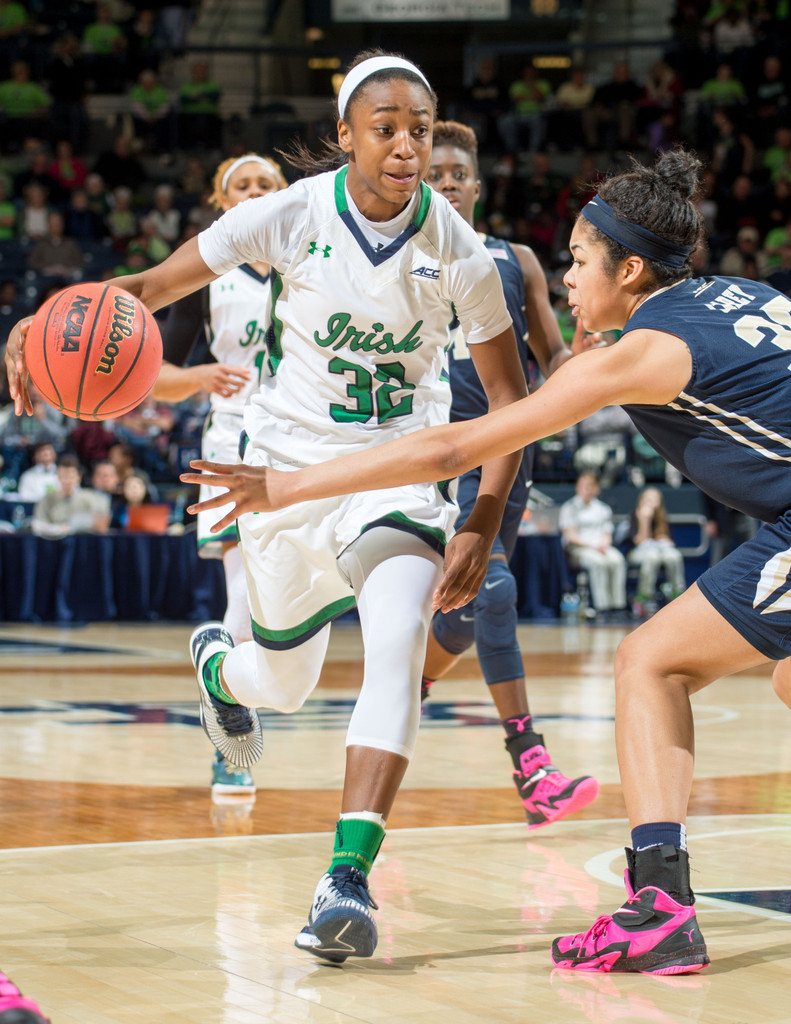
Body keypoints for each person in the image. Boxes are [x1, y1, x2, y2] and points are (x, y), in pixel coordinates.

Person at [163, 147, 791, 976]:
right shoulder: (755, 297)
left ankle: (660, 909)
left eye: (577, 259)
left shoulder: (641, 351)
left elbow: (453, 446)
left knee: (648, 664)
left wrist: (287, 485)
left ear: (630, 268)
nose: (567, 277)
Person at [5, 48, 527, 964]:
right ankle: (218, 672)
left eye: (418, 129)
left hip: (398, 474)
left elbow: (509, 399)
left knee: (398, 647)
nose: (405, 145)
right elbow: (148, 290)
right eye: (385, 129)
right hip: (282, 476)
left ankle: (346, 879)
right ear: (344, 138)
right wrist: (42, 321)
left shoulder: (459, 250)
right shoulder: (283, 214)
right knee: (277, 684)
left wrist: (481, 516)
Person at [420, 119, 599, 827]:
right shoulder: (394, 258)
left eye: (455, 175)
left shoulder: (513, 258)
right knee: (491, 590)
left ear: (475, 185)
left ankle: (410, 687)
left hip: (506, 452)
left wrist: (585, 355)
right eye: (433, 175)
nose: (444, 185)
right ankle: (531, 764)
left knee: (462, 621)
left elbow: (551, 359)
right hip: (433, 453)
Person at [151, 150, 289, 797]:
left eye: (267, 183)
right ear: (222, 201)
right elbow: (152, 373)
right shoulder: (207, 271)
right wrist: (199, 377)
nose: (256, 192)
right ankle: (230, 731)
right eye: (243, 185)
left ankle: (224, 686)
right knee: (243, 587)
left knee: (275, 598)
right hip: (233, 437)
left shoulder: (312, 261)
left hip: (306, 442)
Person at [559, 471, 628, 616]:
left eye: (590, 486)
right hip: (579, 548)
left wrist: (604, 544)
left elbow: (607, 533)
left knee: (618, 560)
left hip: (601, 547)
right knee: (598, 563)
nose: (586, 489)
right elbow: (571, 536)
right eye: (583, 486)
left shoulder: (603, 508)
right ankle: (601, 606)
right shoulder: (569, 507)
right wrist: (593, 547)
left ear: (597, 488)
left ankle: (617, 605)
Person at [626, 486, 686, 616]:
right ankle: (644, 597)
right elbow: (640, 540)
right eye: (647, 499)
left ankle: (677, 594)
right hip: (637, 553)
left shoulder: (663, 516)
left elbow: (668, 540)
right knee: (652, 557)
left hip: (660, 551)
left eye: (654, 499)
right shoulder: (635, 514)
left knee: (674, 556)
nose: (650, 503)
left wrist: (663, 540)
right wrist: (645, 519)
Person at [31, 453, 111, 537]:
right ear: (57, 476)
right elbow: (38, 526)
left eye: (70, 476)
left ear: (78, 477)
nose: (67, 481)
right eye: (63, 476)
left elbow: (102, 525)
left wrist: (78, 524)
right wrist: (59, 530)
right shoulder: (47, 499)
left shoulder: (90, 498)